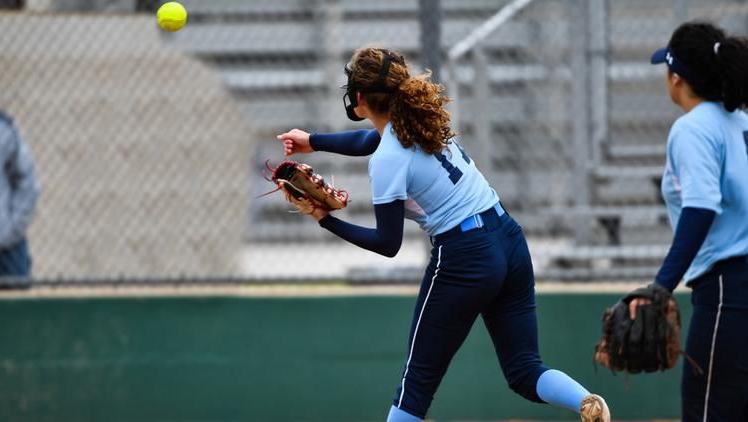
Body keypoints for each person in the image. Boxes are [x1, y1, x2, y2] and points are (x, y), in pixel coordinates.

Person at [277, 47, 610, 422]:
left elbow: (388, 244)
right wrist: (313, 141)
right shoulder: (420, 121)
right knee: (524, 370)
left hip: (465, 254)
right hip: (508, 238)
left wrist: (325, 219)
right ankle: (585, 401)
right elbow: (372, 140)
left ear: (360, 98)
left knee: (415, 386)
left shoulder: (388, 158)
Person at [627, 21, 748, 421]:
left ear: (676, 77)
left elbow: (701, 207)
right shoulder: (741, 122)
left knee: (707, 412)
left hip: (729, 291)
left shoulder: (692, 129)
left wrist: (661, 287)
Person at [0, 111, 39, 280]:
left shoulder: (3, 130)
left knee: (17, 294)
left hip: (6, 248)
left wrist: (10, 230)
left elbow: (27, 183)